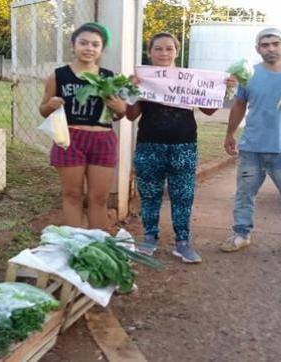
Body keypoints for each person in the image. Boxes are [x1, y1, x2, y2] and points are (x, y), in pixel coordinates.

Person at [126, 32, 233, 263]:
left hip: (184, 145)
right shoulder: (143, 78)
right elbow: (130, 115)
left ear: (176, 52)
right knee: (150, 195)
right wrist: (131, 90)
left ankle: (183, 242)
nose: (164, 53)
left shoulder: (189, 79)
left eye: (169, 49)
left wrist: (223, 89)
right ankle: (149, 238)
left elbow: (208, 110)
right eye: (158, 49)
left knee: (183, 195)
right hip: (149, 145)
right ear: (149, 52)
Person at [220, 28, 281, 258]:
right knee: (244, 195)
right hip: (252, 147)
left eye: (275, 43)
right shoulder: (249, 75)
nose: (271, 48)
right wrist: (230, 134)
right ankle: (241, 235)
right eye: (265, 45)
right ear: (258, 49)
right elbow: (238, 106)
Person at [39, 23, 127, 231]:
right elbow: (43, 110)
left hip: (102, 140)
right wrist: (50, 106)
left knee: (98, 198)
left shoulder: (109, 77)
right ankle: (76, 244)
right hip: (70, 139)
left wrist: (118, 106)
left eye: (95, 44)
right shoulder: (58, 76)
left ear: (101, 49)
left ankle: (98, 244)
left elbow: (120, 113)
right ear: (73, 46)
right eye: (83, 43)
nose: (89, 48)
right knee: (72, 195)